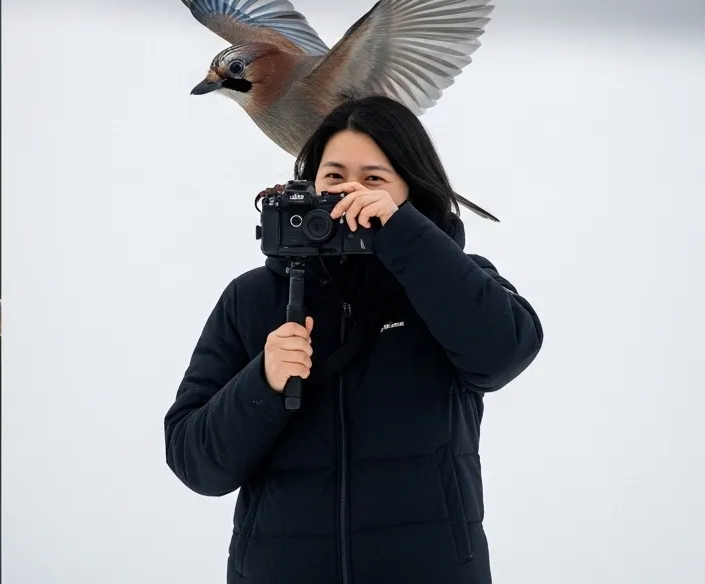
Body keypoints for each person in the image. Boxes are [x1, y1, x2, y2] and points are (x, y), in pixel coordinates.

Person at [164, 95, 543, 584]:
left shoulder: (454, 283)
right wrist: (263, 381)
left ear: (410, 190)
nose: (350, 193)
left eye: (374, 179)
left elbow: (505, 353)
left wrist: (406, 238)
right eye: (334, 176)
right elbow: (196, 462)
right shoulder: (254, 298)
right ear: (309, 184)